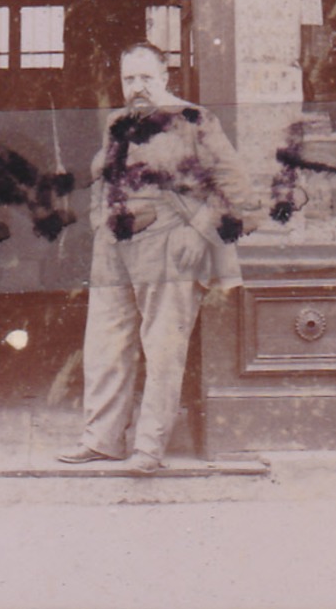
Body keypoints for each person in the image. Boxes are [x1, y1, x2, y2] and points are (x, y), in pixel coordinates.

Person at [58, 42, 260, 475]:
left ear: (165, 77)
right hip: (114, 244)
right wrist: (98, 222)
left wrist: (199, 229)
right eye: (129, 79)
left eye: (146, 78)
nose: (137, 88)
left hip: (169, 242)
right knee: (105, 343)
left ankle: (148, 448)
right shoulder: (118, 122)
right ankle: (102, 440)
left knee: (163, 347)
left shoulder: (195, 120)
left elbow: (238, 187)